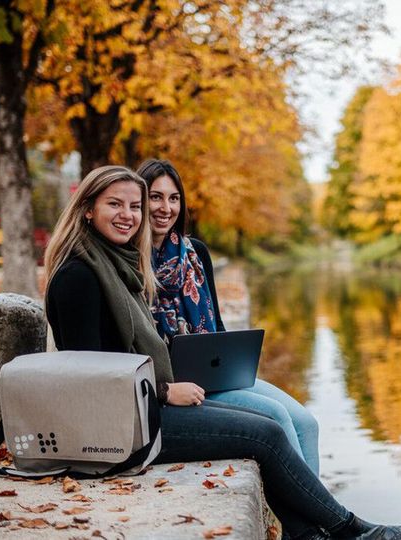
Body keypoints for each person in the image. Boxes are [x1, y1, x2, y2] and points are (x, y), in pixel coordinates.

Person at [44, 165, 401, 540]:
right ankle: (348, 529)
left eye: (133, 206)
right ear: (88, 209)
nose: (129, 215)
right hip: (123, 429)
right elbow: (89, 382)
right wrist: (163, 391)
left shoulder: (117, 265)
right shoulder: (80, 276)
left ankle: (310, 535)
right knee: (266, 435)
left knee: (273, 428)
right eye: (116, 205)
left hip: (144, 410)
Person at [136, 158, 320, 475]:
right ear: (140, 199)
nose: (166, 207)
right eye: (156, 196)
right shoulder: (128, 262)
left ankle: (318, 521)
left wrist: (232, 361)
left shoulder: (195, 253)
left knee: (307, 422)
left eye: (174, 198)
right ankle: (318, 519)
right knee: (277, 417)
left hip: (216, 377)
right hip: (173, 390)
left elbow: (217, 327)